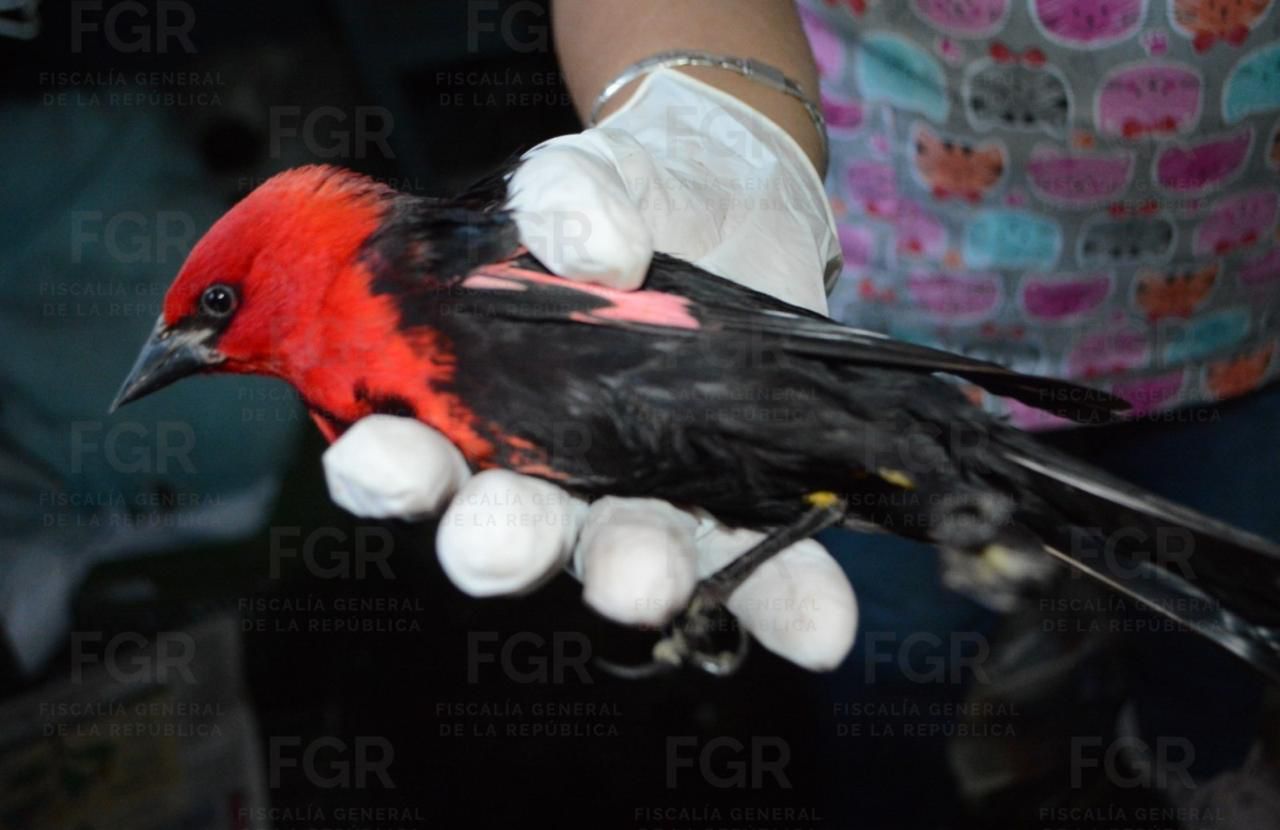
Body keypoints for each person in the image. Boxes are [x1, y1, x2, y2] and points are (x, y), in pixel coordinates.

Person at [323, 0, 1280, 699]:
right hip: (870, 295)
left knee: (1199, 616)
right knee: (889, 653)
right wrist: (716, 130)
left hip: (1234, 314)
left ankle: (1188, 744)